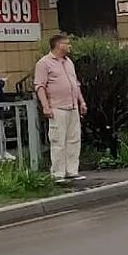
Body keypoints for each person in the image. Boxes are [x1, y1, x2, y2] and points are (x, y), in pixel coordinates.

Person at [34, 33, 87, 181]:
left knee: (74, 139)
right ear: (58, 45)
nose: (69, 46)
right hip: (57, 107)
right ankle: (58, 172)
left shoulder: (68, 62)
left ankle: (72, 170)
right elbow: (40, 86)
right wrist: (46, 106)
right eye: (66, 43)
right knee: (58, 140)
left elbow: (75, 84)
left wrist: (81, 101)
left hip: (72, 106)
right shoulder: (44, 63)